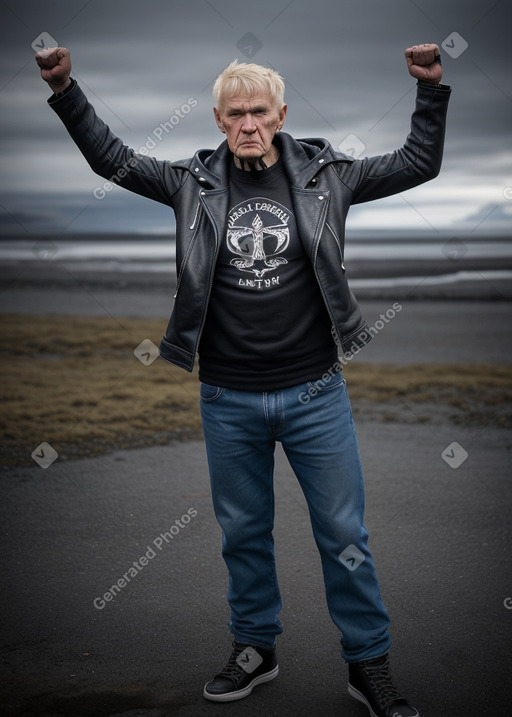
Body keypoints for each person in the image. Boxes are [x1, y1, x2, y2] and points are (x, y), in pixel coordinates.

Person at [36, 43, 450, 717]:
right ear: (219, 119)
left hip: (316, 392)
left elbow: (418, 163)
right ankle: (256, 647)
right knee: (243, 532)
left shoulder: (328, 176)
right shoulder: (189, 183)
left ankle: (367, 661)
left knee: (343, 533)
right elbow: (112, 159)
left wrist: (430, 89)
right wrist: (66, 89)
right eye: (236, 113)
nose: (249, 122)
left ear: (281, 114)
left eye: (260, 110)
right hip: (226, 396)